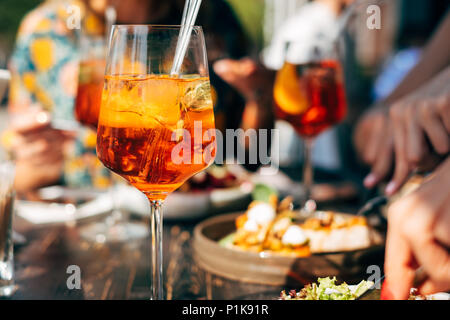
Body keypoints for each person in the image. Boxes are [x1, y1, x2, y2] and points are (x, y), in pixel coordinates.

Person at [7, 0, 249, 194]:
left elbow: (248, 152)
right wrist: (30, 164)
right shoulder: (46, 31)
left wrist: (261, 99)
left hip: (200, 211)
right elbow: (16, 172)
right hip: (79, 221)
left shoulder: (212, 15)